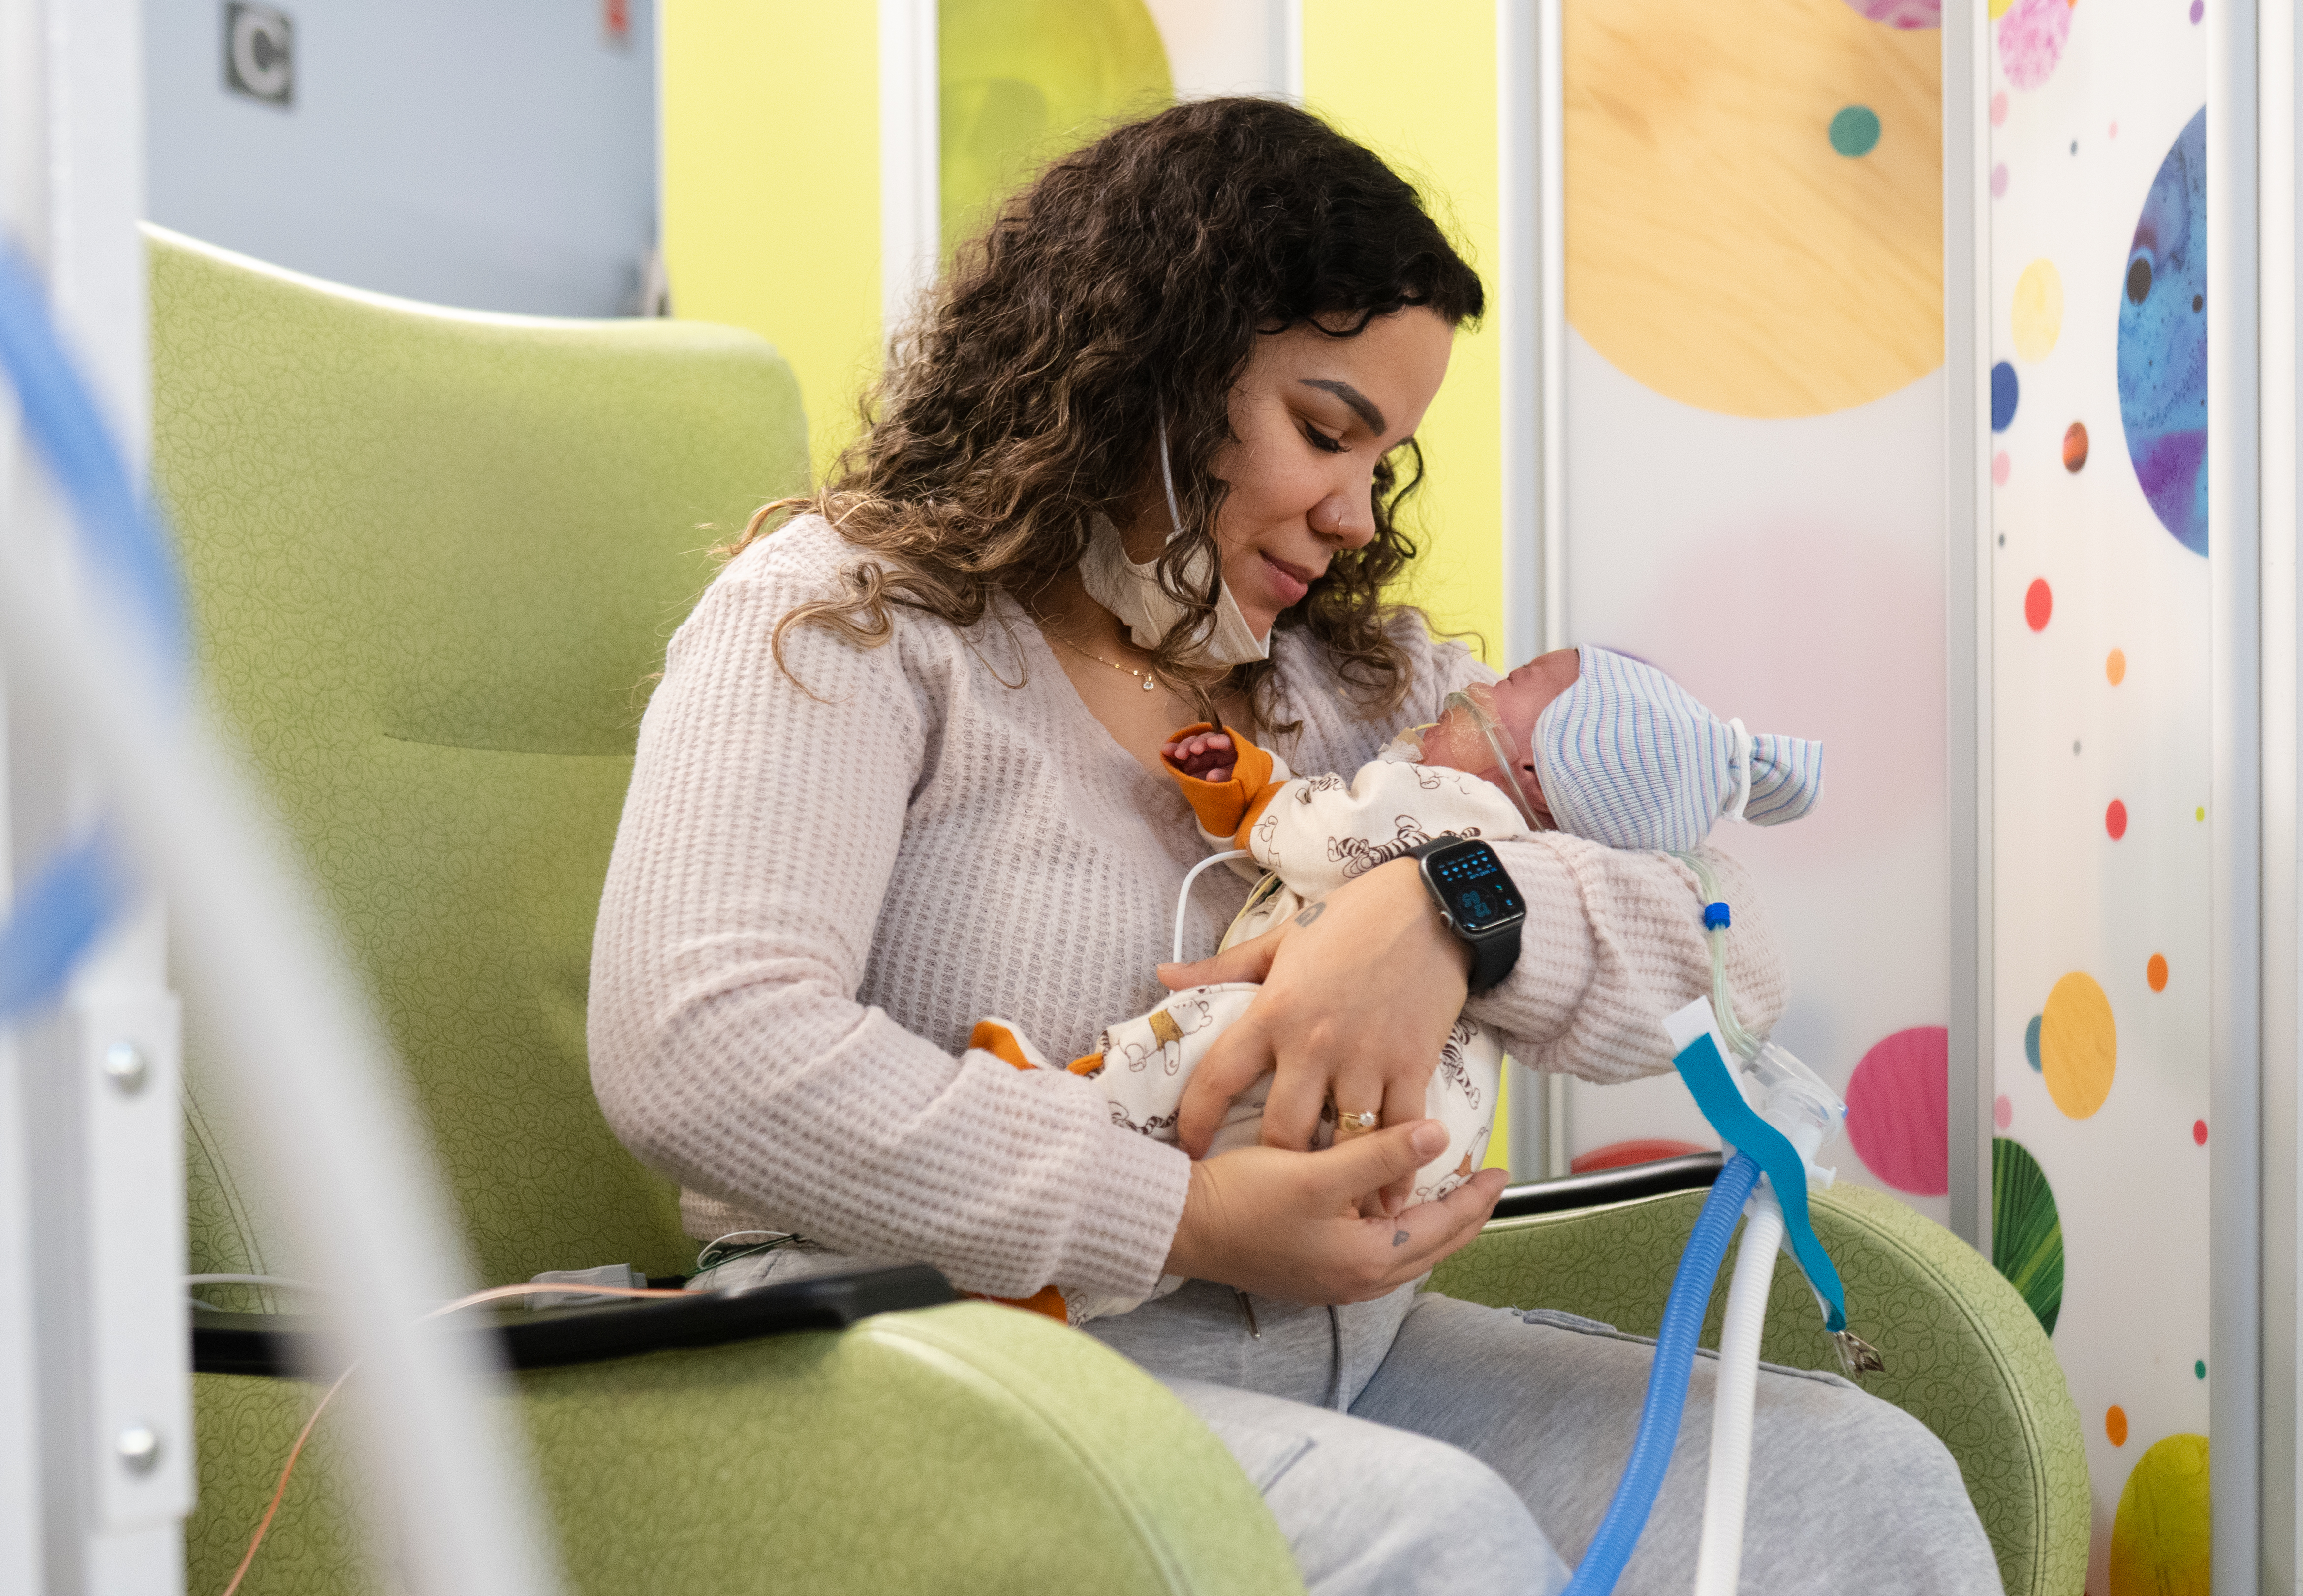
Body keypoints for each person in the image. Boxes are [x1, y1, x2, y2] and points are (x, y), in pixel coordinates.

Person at [589, 96, 1995, 1595]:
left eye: (1379, 458)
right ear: (1148, 364)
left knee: (1860, 1488)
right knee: (1427, 1538)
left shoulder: (1355, 687)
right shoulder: (854, 618)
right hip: (932, 1355)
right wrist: (1184, 1212)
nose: (1347, 510)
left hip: (1341, 1362)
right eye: (1324, 429)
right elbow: (701, 1041)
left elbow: (1734, 954)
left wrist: (1447, 909)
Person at [1048, 646, 1828, 1323]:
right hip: (1422, 1146)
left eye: (1518, 677)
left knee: (1212, 1037)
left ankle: (1091, 1098)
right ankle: (1069, 1290)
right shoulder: (1513, 809)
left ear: (1531, 770)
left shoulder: (1450, 796)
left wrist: (1258, 797)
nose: (1481, 685)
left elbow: (1332, 833)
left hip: (1330, 1107)